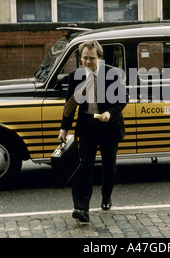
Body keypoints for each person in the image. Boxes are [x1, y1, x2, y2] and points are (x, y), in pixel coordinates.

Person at [58, 40, 127, 223]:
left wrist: (108, 113)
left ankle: (106, 197)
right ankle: (81, 208)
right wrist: (64, 129)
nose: (87, 62)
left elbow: (122, 99)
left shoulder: (113, 73)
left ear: (100, 57)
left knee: (108, 167)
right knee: (84, 166)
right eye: (84, 58)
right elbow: (70, 105)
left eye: (92, 58)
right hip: (87, 126)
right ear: (80, 58)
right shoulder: (76, 76)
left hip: (108, 126)